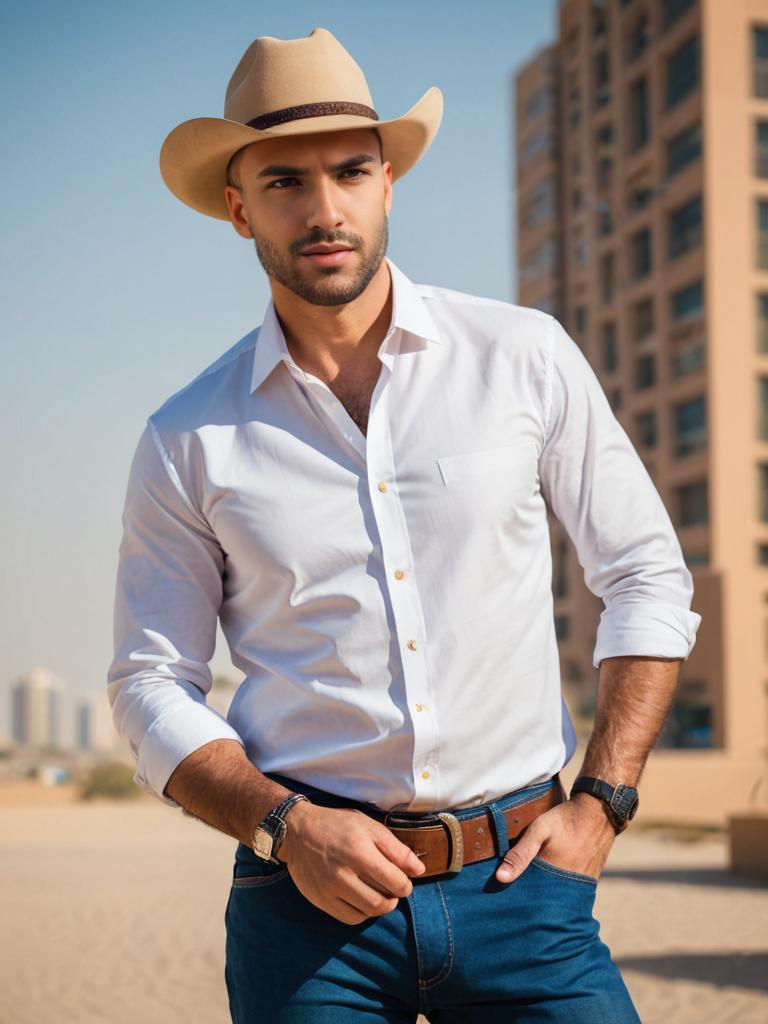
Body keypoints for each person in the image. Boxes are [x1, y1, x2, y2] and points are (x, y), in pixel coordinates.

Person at [108, 26, 702, 1023]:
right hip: (305, 909)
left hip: (524, 890)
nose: (325, 208)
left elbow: (645, 570)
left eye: (350, 171)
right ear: (237, 206)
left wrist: (603, 802)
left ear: (390, 182)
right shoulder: (188, 435)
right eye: (286, 181)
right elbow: (148, 679)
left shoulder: (523, 357)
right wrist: (288, 829)